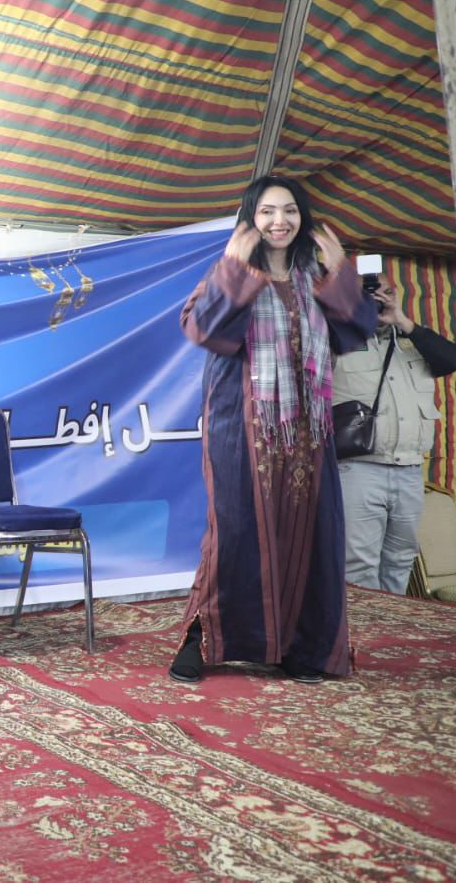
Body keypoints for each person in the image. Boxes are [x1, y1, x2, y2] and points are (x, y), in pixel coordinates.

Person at [171, 176, 376, 685]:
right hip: (242, 425)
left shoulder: (316, 275)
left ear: (303, 218)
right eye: (266, 211)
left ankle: (300, 648)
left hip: (308, 431)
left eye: (289, 210)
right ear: (251, 218)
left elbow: (356, 331)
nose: (279, 221)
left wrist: (340, 274)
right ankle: (202, 638)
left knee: (310, 534)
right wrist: (234, 268)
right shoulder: (233, 268)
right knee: (236, 529)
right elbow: (202, 328)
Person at [332, 276, 456, 593]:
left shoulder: (414, 340)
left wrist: (402, 320)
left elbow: (453, 360)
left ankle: (394, 623)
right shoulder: (335, 340)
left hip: (409, 471)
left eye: (387, 292)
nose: (379, 299)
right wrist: (350, 315)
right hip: (358, 470)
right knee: (357, 565)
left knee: (401, 560)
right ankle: (365, 627)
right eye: (369, 294)